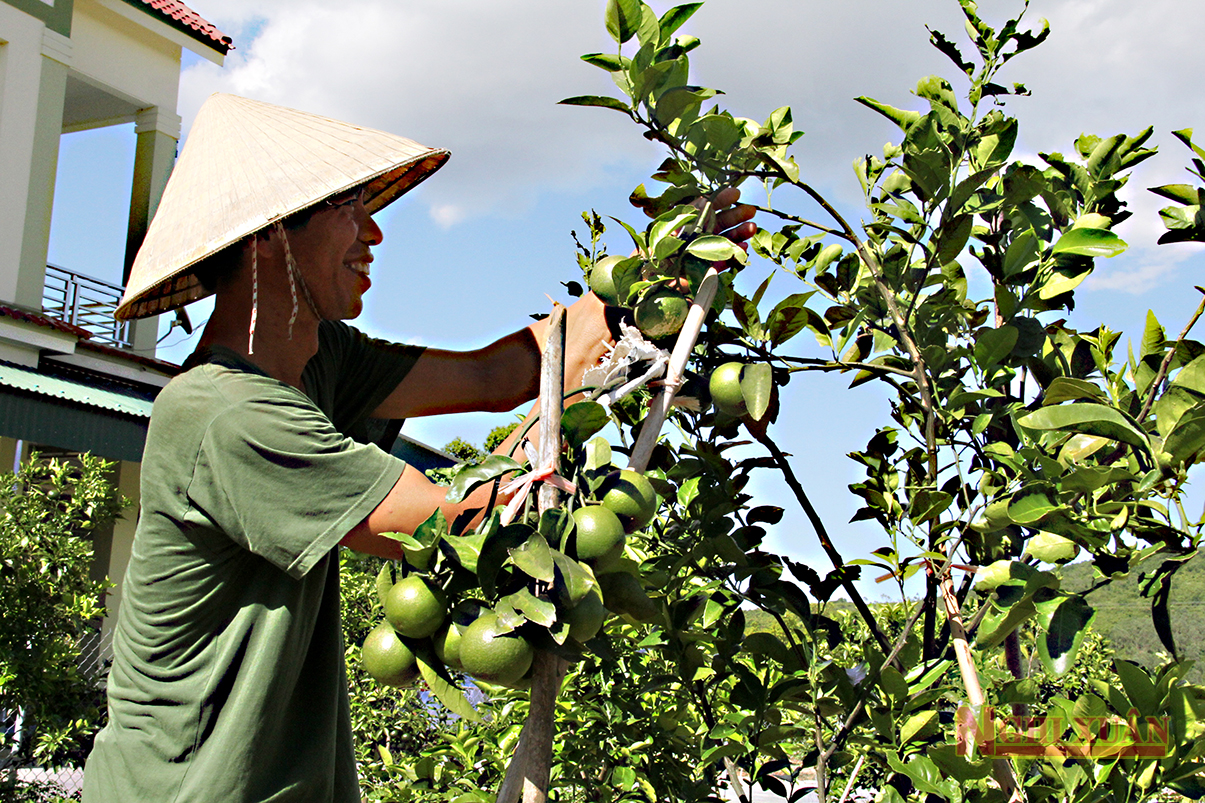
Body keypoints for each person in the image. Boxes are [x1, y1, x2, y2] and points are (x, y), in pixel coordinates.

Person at [81, 93, 754, 802]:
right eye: (347, 207)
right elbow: (454, 523)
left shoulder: (319, 363)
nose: (371, 233)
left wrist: (655, 270)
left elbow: (501, 375)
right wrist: (562, 445)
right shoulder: (224, 413)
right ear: (267, 235)